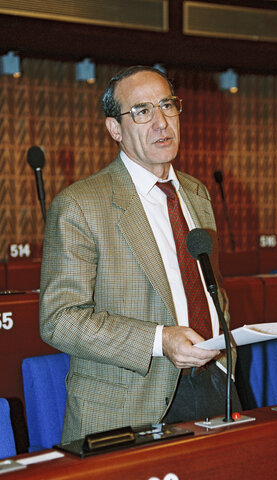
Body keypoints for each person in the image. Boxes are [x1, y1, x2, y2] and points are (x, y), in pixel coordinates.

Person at [39, 65, 241, 443]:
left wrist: (224, 351)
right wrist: (160, 340)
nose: (161, 122)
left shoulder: (196, 194)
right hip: (130, 404)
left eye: (167, 105)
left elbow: (208, 288)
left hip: (215, 384)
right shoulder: (80, 205)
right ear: (115, 129)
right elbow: (59, 319)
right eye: (143, 111)